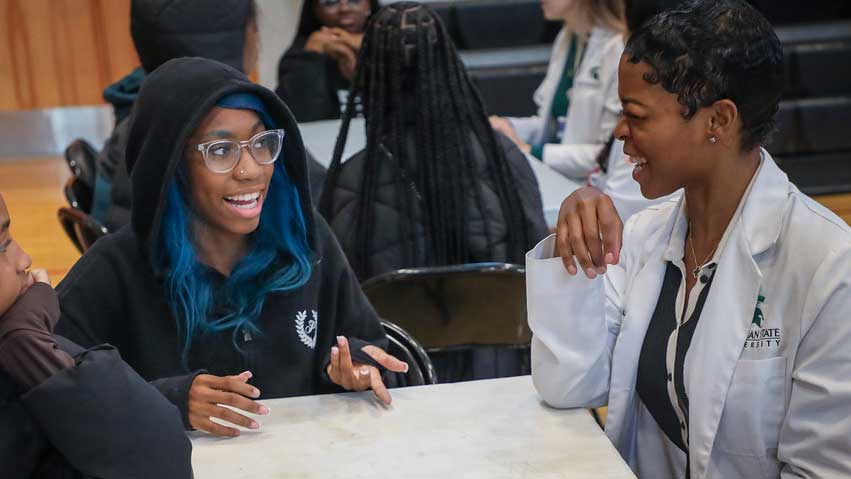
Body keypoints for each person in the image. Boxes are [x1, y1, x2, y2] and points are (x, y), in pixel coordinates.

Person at [527, 1, 851, 478]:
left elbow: (822, 470)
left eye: (636, 116)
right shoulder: (644, 236)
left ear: (718, 121)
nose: (619, 133)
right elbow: (568, 387)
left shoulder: (827, 265)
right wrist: (569, 252)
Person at [57, 57, 408, 439]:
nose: (251, 170)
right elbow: (53, 378)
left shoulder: (306, 238)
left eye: (262, 143)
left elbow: (364, 341)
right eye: (221, 150)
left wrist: (354, 366)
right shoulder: (117, 266)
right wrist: (166, 400)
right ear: (170, 164)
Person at [320, 2, 548, 282]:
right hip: (501, 325)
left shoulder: (352, 186)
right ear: (449, 68)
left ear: (369, 76)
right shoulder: (504, 160)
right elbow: (537, 264)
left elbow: (338, 295)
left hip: (396, 326)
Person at [0, 193, 192, 478]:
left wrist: (30, 344)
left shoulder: (17, 352)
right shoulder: (120, 258)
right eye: (3, 246)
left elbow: (160, 461)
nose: (24, 259)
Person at [93, 0, 260, 231]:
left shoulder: (137, 120)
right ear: (243, 33)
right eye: (221, 151)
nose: (249, 170)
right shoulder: (188, 136)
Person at [490, 0, 626, 180]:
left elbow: (610, 155)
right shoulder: (568, 37)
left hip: (591, 190)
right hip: (556, 180)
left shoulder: (619, 49)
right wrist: (506, 127)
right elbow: (552, 127)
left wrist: (529, 151)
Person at [275, 0, 378, 122]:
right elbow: (298, 118)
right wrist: (311, 55)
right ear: (315, 10)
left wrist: (372, 45)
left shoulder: (392, 45)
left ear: (370, 4)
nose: (344, 9)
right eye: (331, 2)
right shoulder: (301, 55)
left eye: (354, 0)